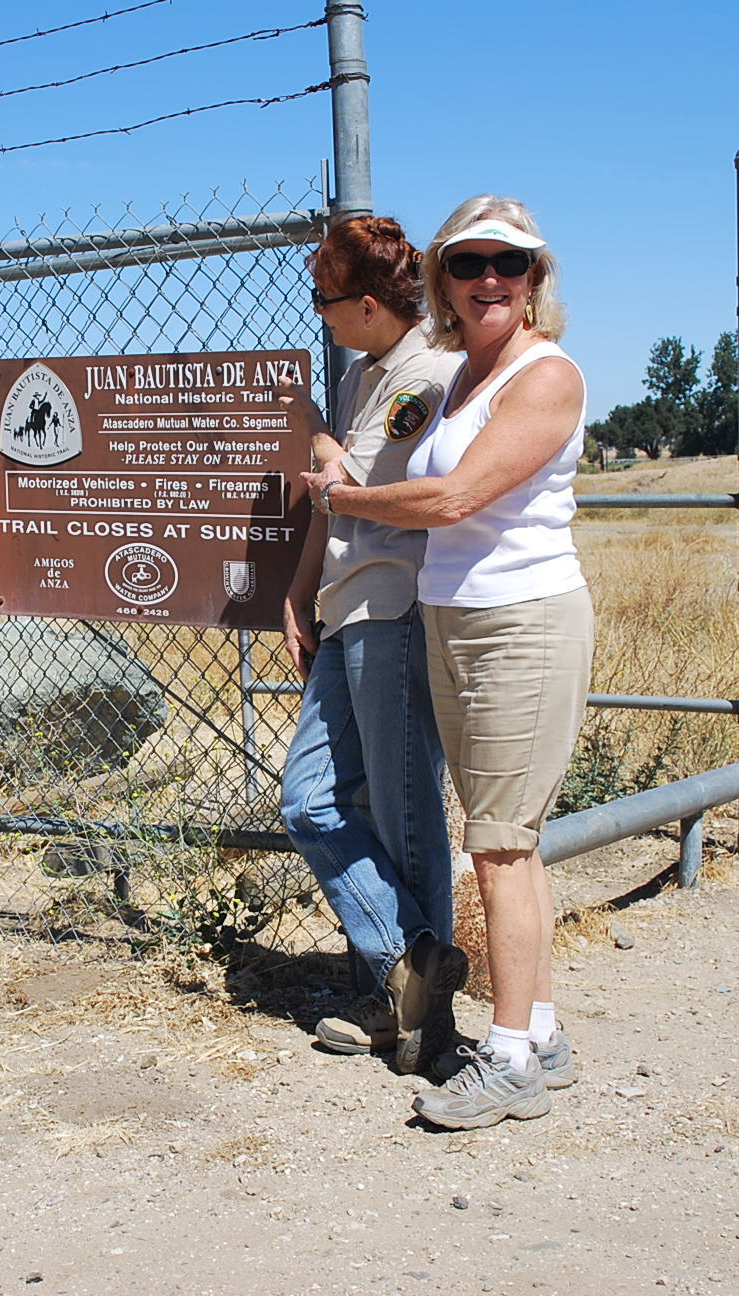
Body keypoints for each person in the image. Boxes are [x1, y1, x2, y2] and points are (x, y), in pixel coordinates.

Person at [300, 196, 592, 1129]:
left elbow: (458, 495)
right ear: (442, 281)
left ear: (536, 278)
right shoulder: (463, 375)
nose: (487, 280)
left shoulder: (543, 376)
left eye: (508, 264)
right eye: (467, 264)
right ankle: (535, 1032)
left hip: (519, 621)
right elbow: (407, 470)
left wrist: (347, 494)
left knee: (498, 844)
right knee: (507, 840)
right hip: (453, 617)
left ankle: (500, 1055)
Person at [275, 215, 469, 1076]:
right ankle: (407, 971)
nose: (316, 314)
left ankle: (423, 1011)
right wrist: (296, 594)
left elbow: (346, 485)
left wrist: (310, 433)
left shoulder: (424, 371)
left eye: (323, 300)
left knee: (405, 814)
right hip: (346, 606)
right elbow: (334, 501)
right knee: (311, 799)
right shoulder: (364, 372)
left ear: (361, 304)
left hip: (390, 610)